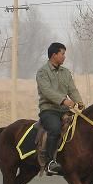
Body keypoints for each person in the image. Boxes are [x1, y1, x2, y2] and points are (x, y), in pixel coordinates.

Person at [36, 42, 84, 175]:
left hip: (64, 110)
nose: (64, 57)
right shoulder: (42, 72)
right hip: (49, 110)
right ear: (54, 55)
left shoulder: (66, 72)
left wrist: (79, 101)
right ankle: (50, 162)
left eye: (64, 54)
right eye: (62, 54)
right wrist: (63, 100)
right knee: (55, 129)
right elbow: (46, 91)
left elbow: (72, 89)